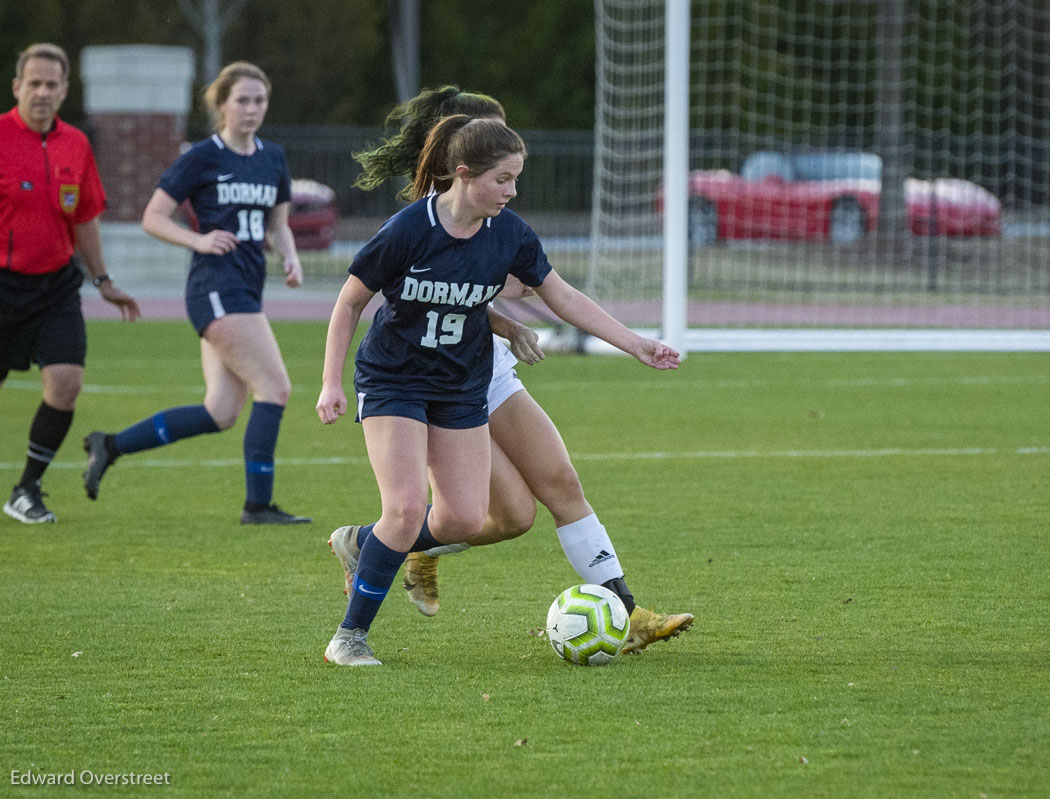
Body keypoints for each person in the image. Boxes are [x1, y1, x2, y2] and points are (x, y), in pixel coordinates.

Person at [329, 86, 694, 657]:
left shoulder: (506, 226)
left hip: (475, 374)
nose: (513, 189)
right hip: (406, 375)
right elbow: (410, 296)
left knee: (525, 502)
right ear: (462, 164)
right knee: (445, 511)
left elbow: (548, 292)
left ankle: (625, 613)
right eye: (505, 176)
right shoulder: (416, 224)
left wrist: (632, 342)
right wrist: (331, 383)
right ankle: (364, 601)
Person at [80, 61, 310, 525]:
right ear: (221, 105)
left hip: (246, 287)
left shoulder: (273, 158)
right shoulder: (203, 157)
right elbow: (153, 216)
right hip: (215, 289)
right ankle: (258, 506)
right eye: (241, 100)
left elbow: (278, 224)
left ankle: (112, 444)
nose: (251, 109)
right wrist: (199, 240)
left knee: (220, 411)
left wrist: (290, 256)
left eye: (259, 100)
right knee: (275, 387)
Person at [1, 43, 141, 524]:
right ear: (17, 86)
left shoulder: (76, 145)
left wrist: (102, 279)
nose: (42, 92)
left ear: (64, 91)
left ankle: (26, 488)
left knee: (65, 383)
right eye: (33, 83)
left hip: (56, 288)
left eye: (51, 84)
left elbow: (84, 217)